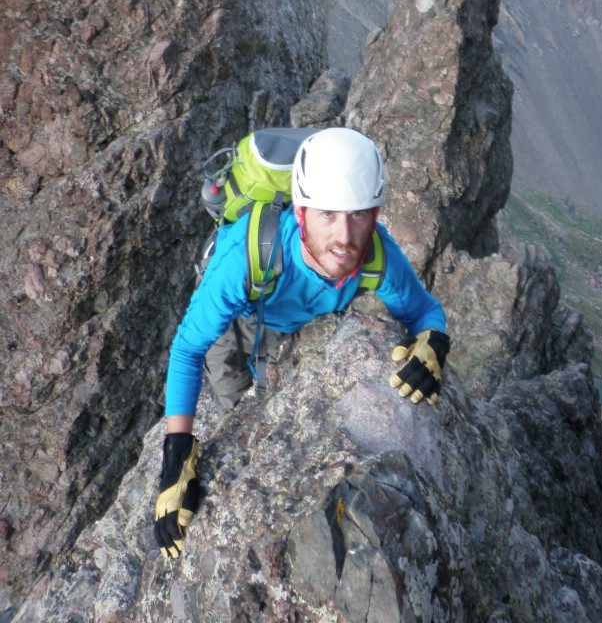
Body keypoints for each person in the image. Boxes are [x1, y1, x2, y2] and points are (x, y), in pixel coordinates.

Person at [154, 127, 451, 558]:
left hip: (292, 324)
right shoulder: (246, 256)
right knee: (235, 403)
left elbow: (426, 311)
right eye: (327, 214)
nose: (345, 237)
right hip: (239, 315)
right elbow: (187, 348)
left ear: (376, 213)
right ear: (300, 211)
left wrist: (434, 341)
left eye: (359, 215)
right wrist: (176, 456)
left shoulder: (377, 257)